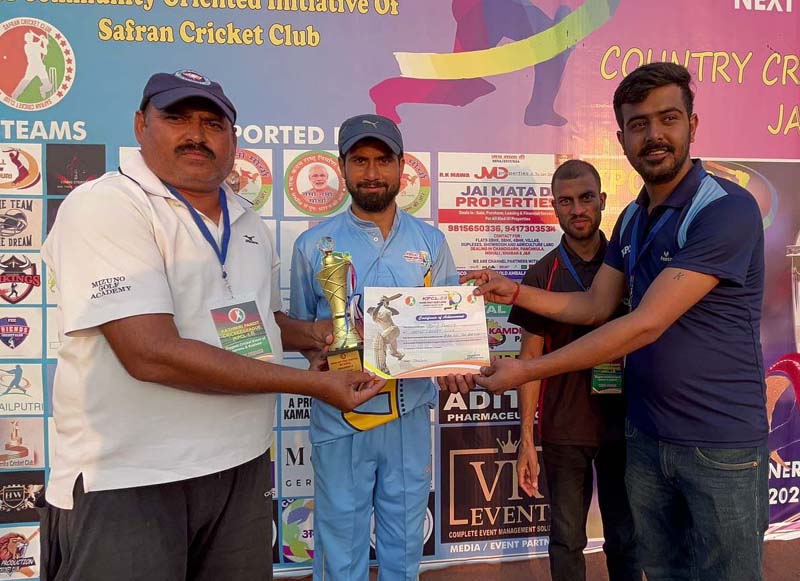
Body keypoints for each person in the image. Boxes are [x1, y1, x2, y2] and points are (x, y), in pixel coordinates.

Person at [39, 69, 384, 581]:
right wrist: (312, 384)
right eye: (176, 118)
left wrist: (317, 337)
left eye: (212, 123)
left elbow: (251, 321)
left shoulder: (245, 218)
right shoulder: (107, 205)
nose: (196, 134)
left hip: (240, 467)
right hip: (132, 476)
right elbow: (149, 353)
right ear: (140, 125)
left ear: (233, 138)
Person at [458, 63, 768, 580]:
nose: (654, 135)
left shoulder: (726, 209)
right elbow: (595, 306)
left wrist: (526, 372)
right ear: (621, 138)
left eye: (667, 118)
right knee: (662, 571)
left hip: (719, 445)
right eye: (638, 124)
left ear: (693, 124)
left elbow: (645, 324)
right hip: (646, 437)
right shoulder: (631, 217)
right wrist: (516, 290)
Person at [290, 114, 458, 580]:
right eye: (359, 160)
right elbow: (301, 331)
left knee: (403, 546)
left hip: (407, 414)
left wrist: (451, 355)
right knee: (340, 546)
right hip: (342, 416)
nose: (371, 172)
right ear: (342, 167)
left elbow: (447, 326)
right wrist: (325, 344)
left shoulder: (429, 242)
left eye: (382, 160)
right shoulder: (312, 245)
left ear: (402, 166)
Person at [510, 159, 639, 581]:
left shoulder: (629, 268)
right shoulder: (540, 274)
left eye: (586, 198)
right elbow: (528, 362)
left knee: (626, 537)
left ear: (602, 201)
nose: (578, 209)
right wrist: (526, 439)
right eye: (566, 201)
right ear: (555, 208)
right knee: (567, 540)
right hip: (564, 430)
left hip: (626, 426)